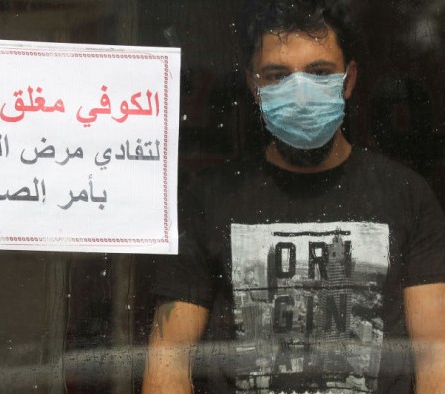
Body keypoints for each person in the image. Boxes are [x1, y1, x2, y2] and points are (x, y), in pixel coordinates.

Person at [142, 0, 445, 393]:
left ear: (349, 80)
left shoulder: (405, 195)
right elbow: (169, 356)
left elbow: (435, 357)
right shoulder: (210, 198)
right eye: (277, 75)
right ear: (254, 86)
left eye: (319, 72)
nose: (299, 93)